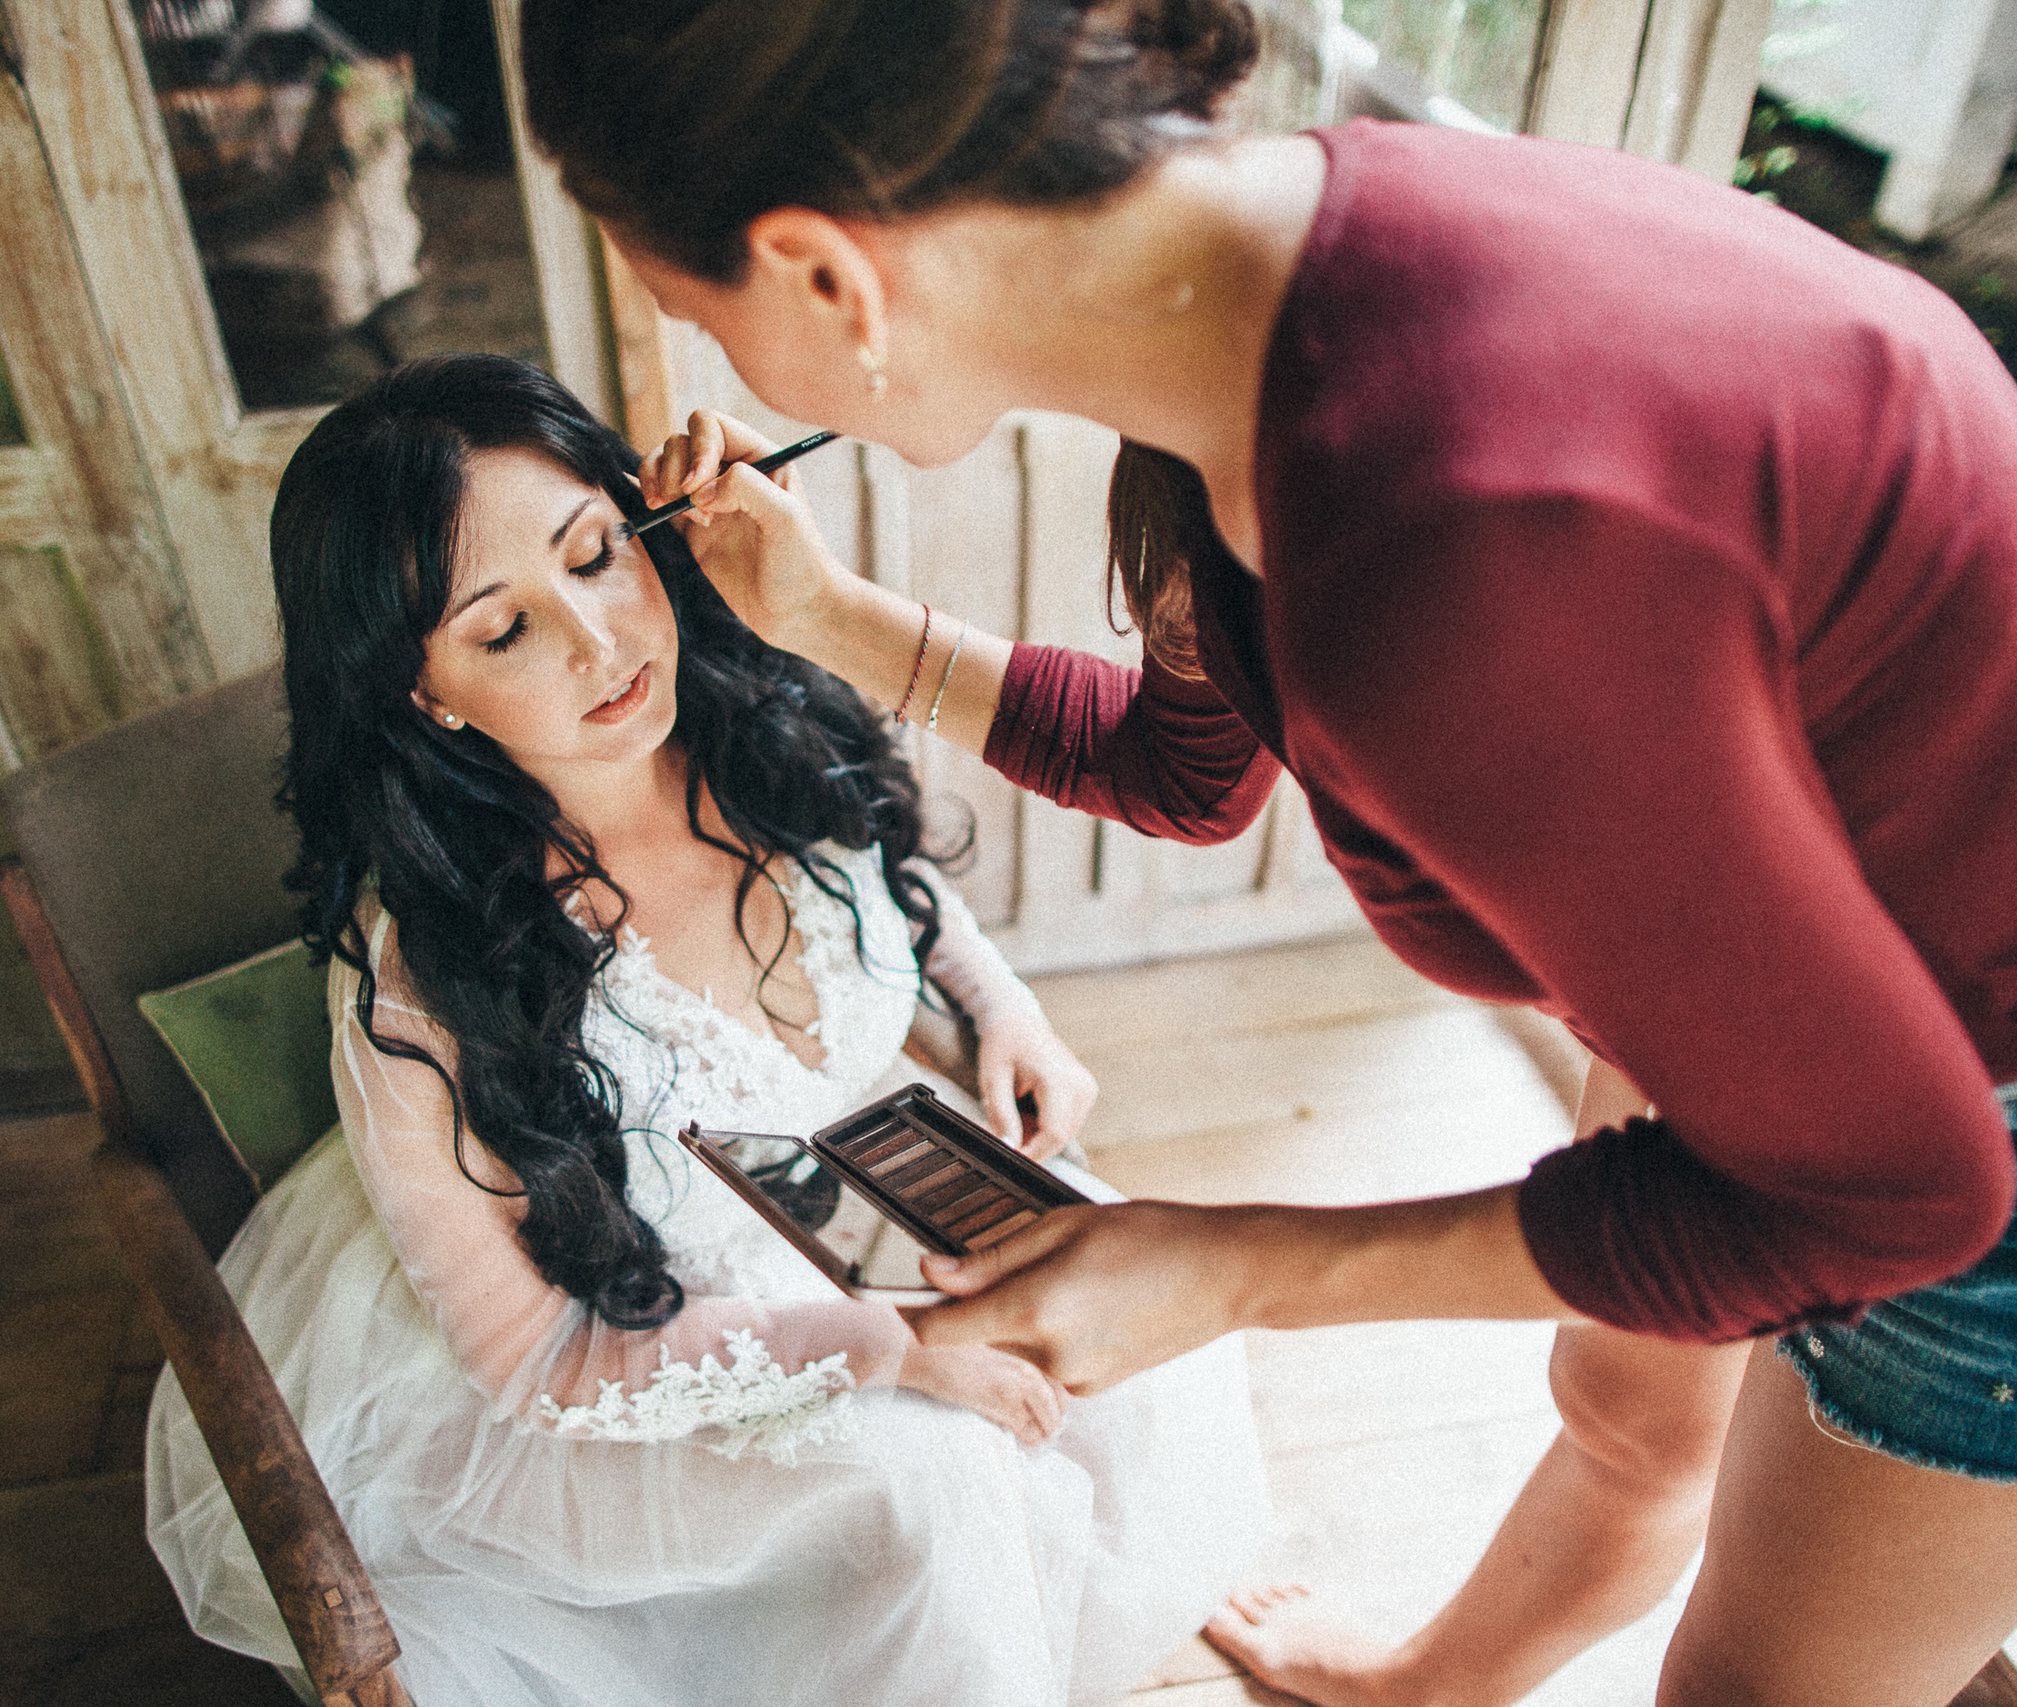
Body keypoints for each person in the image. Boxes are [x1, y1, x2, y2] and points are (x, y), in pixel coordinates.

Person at [513, 4, 2017, 1704]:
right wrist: (830, 617)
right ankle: (1431, 1687)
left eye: (700, 320)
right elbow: (1187, 763)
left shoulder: (1459, 546)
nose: (725, 377)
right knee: (1635, 1408)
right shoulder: (1264, 308)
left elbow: (1890, 1187)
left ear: (823, 277)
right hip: (1801, 975)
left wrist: (1241, 1267)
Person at [139, 353, 1267, 1707]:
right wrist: (891, 1351)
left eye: (599, 555)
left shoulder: (765, 721)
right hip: (637, 1336)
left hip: (864, 1189)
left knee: (1138, 1326)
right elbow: (539, 1365)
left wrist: (998, 1008)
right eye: (505, 631)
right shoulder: (428, 985)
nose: (602, 643)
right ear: (422, 690)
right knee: (937, 1484)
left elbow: (896, 886)